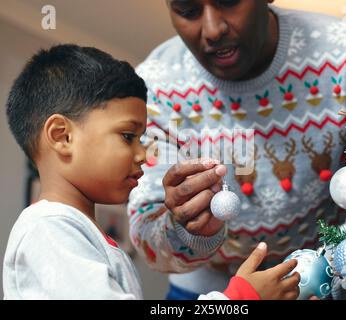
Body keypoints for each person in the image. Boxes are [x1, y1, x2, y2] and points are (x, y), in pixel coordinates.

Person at [2, 44, 301, 300]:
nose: (144, 154)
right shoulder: (49, 231)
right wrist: (238, 298)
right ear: (62, 136)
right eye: (128, 136)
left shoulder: (73, 231)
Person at [128, 0, 346, 299]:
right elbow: (147, 240)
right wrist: (187, 229)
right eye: (187, 10)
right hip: (215, 291)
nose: (213, 30)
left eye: (228, 1)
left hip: (332, 279)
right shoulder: (154, 86)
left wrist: (319, 273)